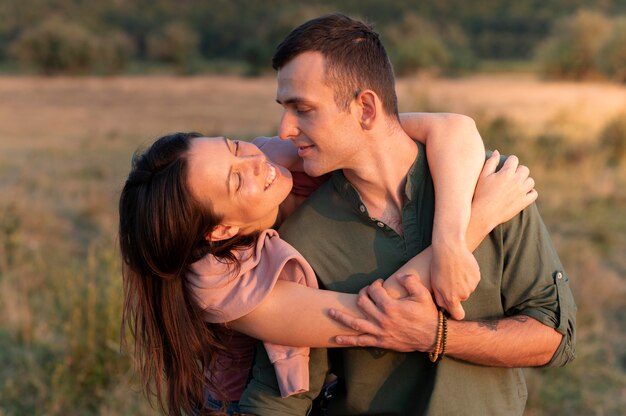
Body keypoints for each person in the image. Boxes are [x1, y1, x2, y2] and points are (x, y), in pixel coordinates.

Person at [238, 13, 577, 416]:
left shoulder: (489, 185)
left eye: (303, 109)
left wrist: (438, 336)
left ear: (365, 108)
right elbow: (282, 396)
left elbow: (555, 338)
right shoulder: (300, 239)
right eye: (284, 109)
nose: (285, 129)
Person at [119, 114, 535, 415]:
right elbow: (373, 317)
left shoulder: (263, 157)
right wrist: (480, 217)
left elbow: (452, 127)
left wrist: (446, 233)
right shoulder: (221, 287)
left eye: (233, 146)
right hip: (251, 404)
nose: (255, 161)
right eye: (235, 179)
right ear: (222, 231)